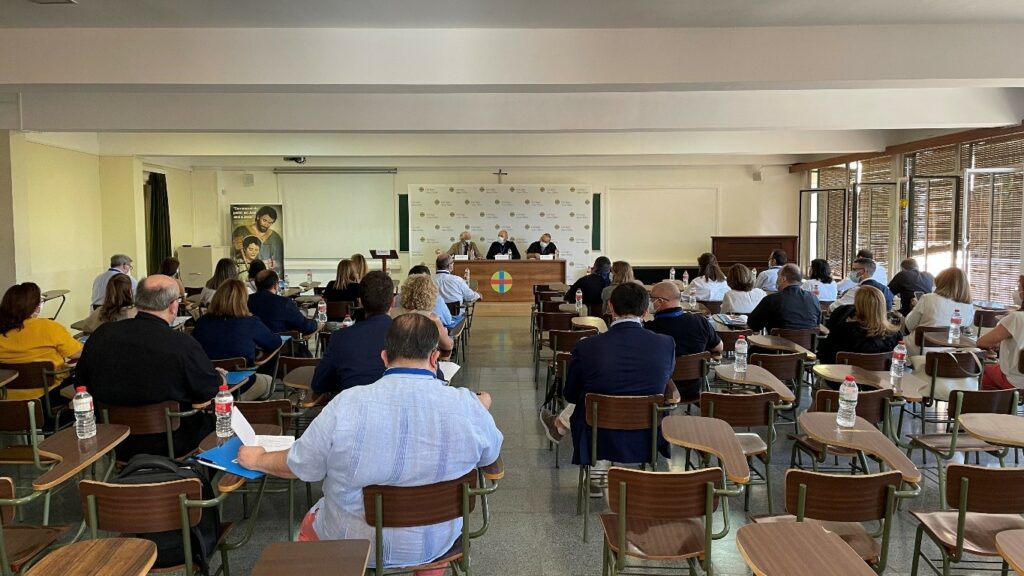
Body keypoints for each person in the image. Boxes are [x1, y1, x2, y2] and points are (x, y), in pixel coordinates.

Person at [237, 314, 501, 571]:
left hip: (354, 543)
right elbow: (490, 458)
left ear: (385, 357)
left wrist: (258, 458)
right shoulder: (466, 405)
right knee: (431, 542)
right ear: (435, 359)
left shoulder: (346, 404)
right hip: (438, 541)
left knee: (309, 523)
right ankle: (430, 567)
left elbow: (302, 466)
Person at [75, 275, 224, 459]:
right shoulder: (182, 345)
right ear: (173, 305)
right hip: (174, 441)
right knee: (220, 422)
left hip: (114, 442)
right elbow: (207, 391)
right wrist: (220, 377)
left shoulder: (102, 335)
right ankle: (202, 484)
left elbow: (81, 385)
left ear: (138, 302)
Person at [539, 282, 675, 472]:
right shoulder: (666, 344)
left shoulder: (587, 346)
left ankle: (592, 469)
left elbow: (570, 394)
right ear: (646, 311)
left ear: (610, 307)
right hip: (646, 433)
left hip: (598, 433)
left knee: (587, 398)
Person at [190, 280, 279, 400]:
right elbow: (274, 342)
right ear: (244, 300)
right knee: (269, 381)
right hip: (241, 387)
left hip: (208, 388)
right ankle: (251, 414)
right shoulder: (250, 323)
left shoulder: (202, 323)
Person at [311, 272, 395, 395]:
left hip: (352, 408)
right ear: (393, 301)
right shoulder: (410, 337)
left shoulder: (340, 338)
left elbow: (319, 384)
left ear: (360, 302)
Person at [0, 282, 82, 401]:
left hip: (7, 400)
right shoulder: (49, 327)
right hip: (48, 396)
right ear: (35, 306)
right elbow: (78, 353)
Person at [644, 281, 723, 400]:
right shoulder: (700, 322)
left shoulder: (649, 329)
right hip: (694, 387)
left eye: (651, 299)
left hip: (660, 389)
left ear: (660, 301)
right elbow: (719, 347)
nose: (650, 302)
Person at [816, 286, 903, 364]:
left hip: (844, 379)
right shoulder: (895, 335)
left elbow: (825, 357)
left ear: (858, 306)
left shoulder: (844, 331)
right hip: (881, 381)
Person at [904, 267, 975, 357]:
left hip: (920, 349)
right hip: (951, 351)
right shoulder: (969, 306)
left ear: (941, 283)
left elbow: (909, 325)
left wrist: (915, 308)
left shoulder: (927, 298)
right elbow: (965, 328)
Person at [747, 264, 822, 333]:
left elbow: (753, 325)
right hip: (807, 346)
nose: (776, 281)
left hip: (777, 345)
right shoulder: (813, 299)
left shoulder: (772, 300)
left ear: (783, 279)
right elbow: (818, 323)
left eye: (778, 276)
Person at [247, 270, 320, 338]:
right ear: (275, 285)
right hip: (283, 348)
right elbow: (305, 327)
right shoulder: (284, 303)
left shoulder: (246, 301)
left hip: (253, 348)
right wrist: (316, 322)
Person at [399, 274, 455, 357]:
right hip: (422, 362)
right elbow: (448, 346)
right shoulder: (432, 318)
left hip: (396, 362)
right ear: (430, 294)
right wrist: (446, 334)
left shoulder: (393, 313)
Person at [977, 309, 1024, 390]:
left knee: (977, 371)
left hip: (1015, 382)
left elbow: (982, 342)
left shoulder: (1017, 317)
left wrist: (999, 342)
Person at [232, 206, 284, 274]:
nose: (266, 225)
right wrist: (234, 247)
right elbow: (232, 255)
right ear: (258, 217)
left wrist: (275, 265)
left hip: (265, 277)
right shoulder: (240, 231)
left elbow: (279, 261)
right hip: (244, 275)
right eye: (264, 220)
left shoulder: (276, 237)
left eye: (270, 222)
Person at [830, 258, 894, 312]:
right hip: (883, 325)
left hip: (862, 325)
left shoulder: (858, 290)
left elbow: (832, 308)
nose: (851, 272)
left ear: (863, 271)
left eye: (854, 269)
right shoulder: (886, 290)